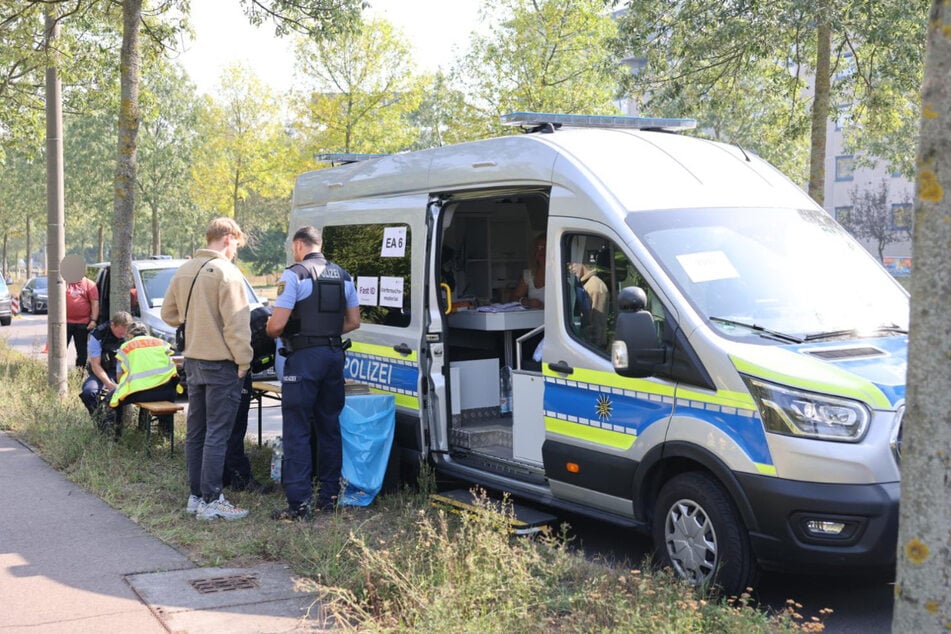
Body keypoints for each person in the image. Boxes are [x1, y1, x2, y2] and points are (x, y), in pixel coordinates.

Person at [162, 217, 253, 522]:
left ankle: (196, 495)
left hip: (193, 360)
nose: (235, 252)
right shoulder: (227, 273)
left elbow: (168, 314)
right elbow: (238, 325)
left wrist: (196, 321)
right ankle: (212, 499)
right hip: (221, 362)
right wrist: (244, 361)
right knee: (218, 432)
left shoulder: (185, 268)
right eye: (236, 245)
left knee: (197, 431)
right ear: (228, 238)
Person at [266, 225, 360, 520]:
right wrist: (327, 333)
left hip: (304, 358)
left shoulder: (294, 274)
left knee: (297, 429)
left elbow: (276, 326)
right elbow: (354, 321)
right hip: (334, 356)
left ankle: (299, 504)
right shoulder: (344, 276)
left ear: (298, 246)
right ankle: (329, 498)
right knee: (329, 427)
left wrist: (276, 329)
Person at [105, 321, 180, 436]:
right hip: (167, 392)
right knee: (166, 394)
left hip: (141, 393)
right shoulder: (161, 343)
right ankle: (166, 432)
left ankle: (115, 435)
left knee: (111, 399)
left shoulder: (126, 347)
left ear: (129, 335)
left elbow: (119, 377)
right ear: (147, 332)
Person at [80, 311, 133, 421]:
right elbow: (96, 365)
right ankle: (100, 421)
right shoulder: (98, 335)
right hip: (103, 372)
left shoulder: (133, 333)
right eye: (120, 334)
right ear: (112, 325)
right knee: (88, 393)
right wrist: (108, 384)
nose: (122, 336)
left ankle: (118, 425)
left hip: (125, 374)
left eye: (125, 334)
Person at [569, 259, 608, 348]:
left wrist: (595, 350)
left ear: (582, 261)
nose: (570, 268)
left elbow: (597, 324)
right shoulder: (584, 284)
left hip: (593, 347)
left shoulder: (595, 286)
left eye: (573, 263)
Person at [66, 274, 100, 369]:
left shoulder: (89, 284)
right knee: (60, 350)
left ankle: (79, 375)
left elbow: (95, 303)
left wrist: (93, 320)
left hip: (82, 323)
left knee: (81, 352)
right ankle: (60, 374)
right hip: (65, 323)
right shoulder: (64, 282)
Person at [513, 234, 546, 308]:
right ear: (534, 253)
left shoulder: (561, 273)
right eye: (539, 248)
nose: (542, 251)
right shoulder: (528, 274)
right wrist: (526, 302)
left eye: (546, 248)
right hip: (533, 318)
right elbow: (514, 298)